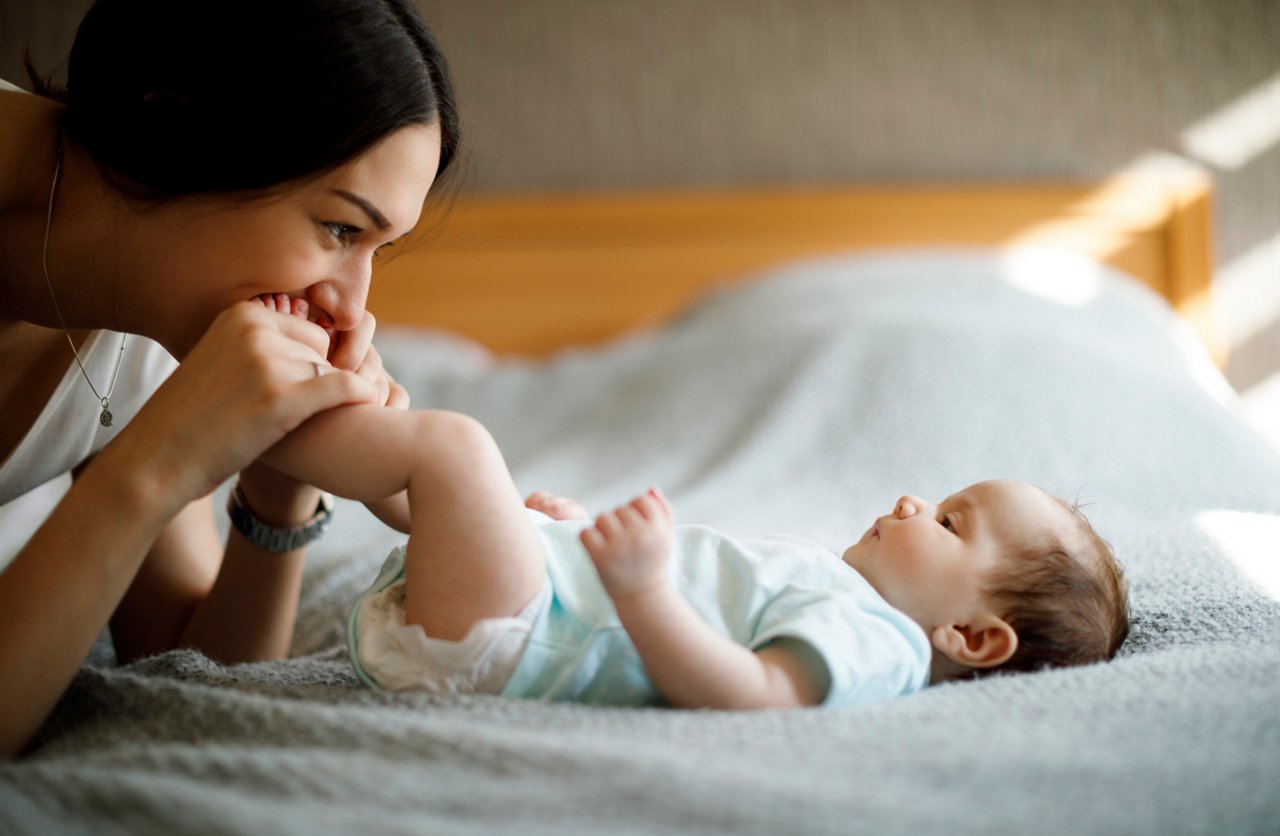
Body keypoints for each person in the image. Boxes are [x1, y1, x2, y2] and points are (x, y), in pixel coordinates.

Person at [251, 291, 1131, 708]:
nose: (911, 500)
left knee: (455, 453)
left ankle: (258, 413)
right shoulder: (838, 596)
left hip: (524, 642)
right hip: (537, 610)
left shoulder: (878, 642)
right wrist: (570, 543)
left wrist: (638, 591)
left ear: (971, 638)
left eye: (948, 521)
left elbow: (751, 695)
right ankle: (314, 400)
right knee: (436, 483)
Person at [0, 0, 460, 757]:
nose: (350, 305)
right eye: (340, 228)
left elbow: (192, 668)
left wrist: (281, 488)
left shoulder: (148, 302)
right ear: (173, 121)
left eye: (379, 248)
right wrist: (157, 460)